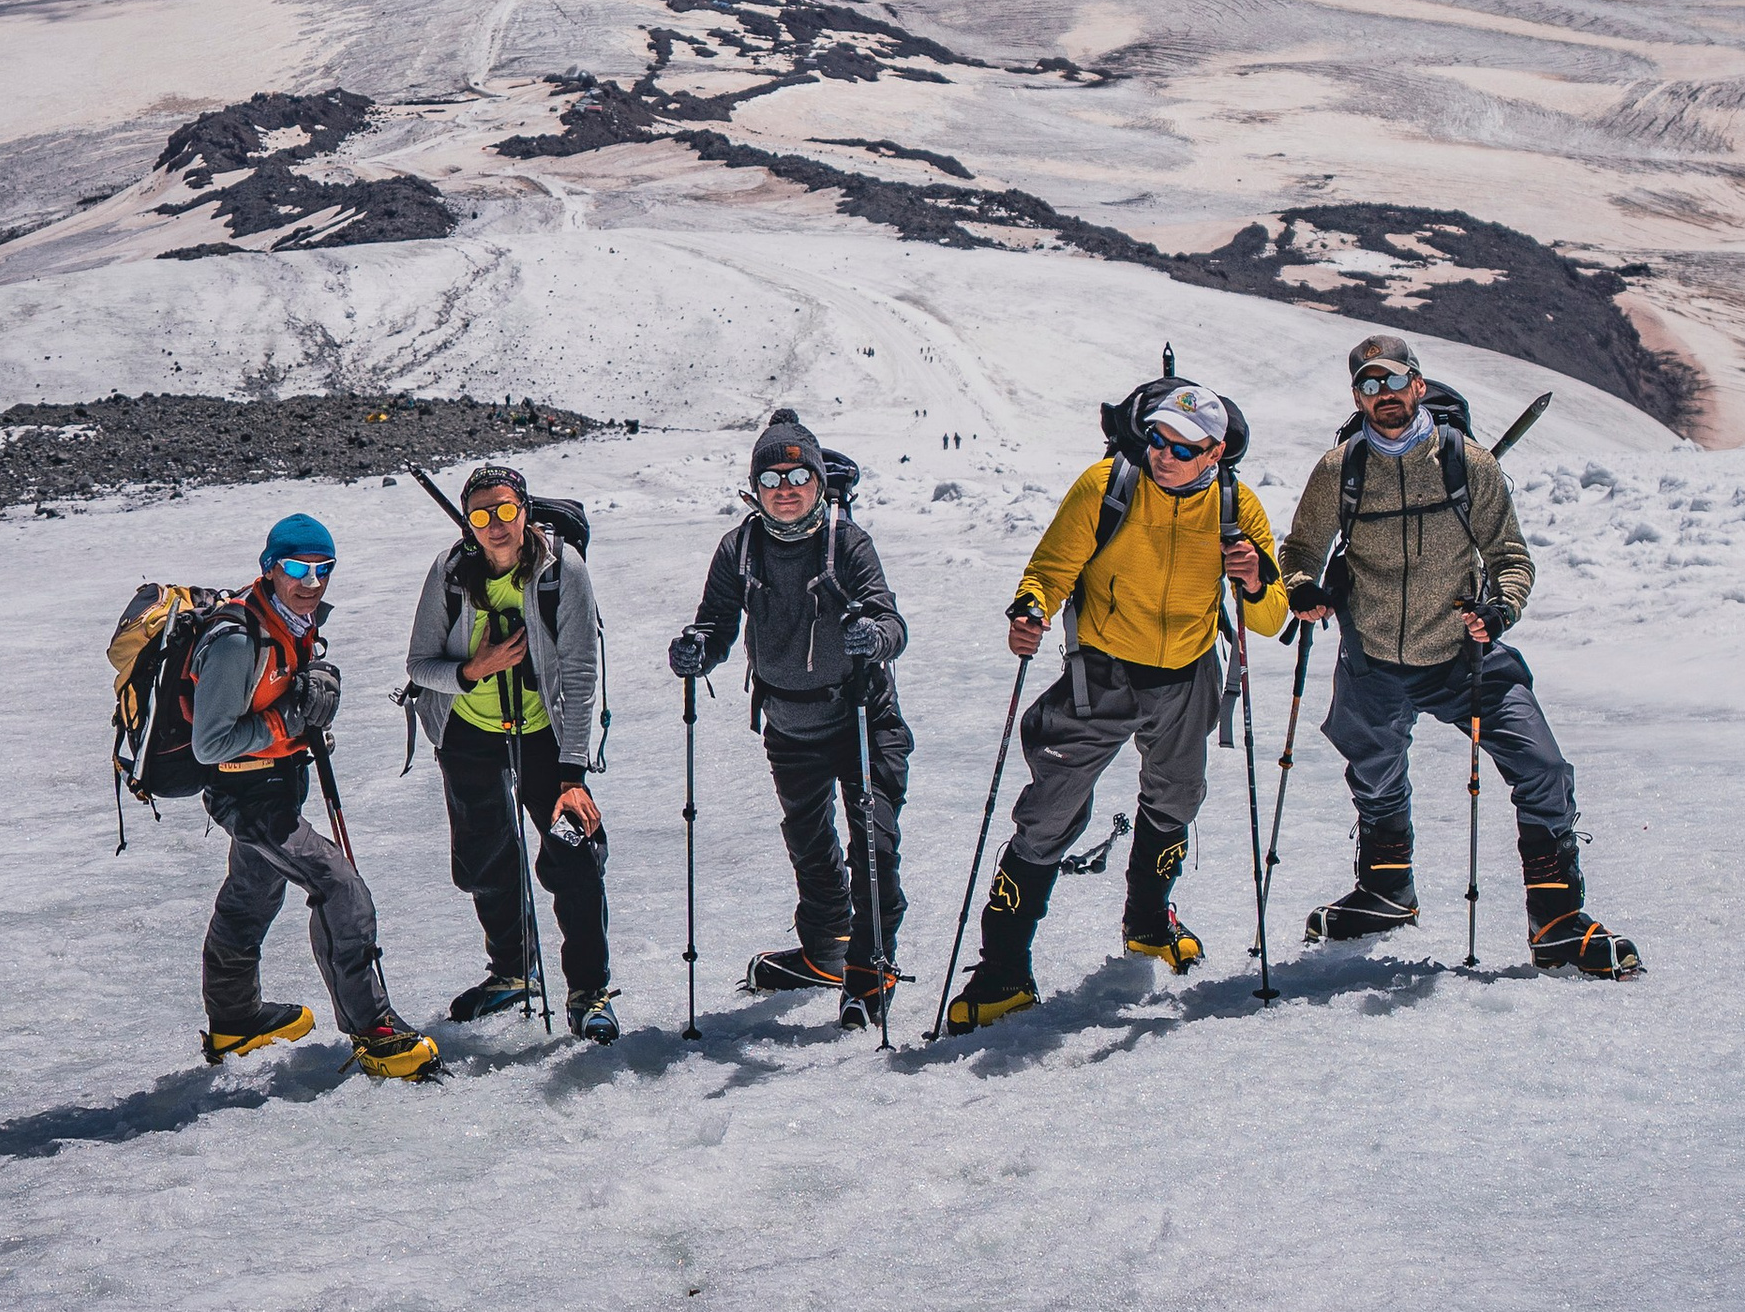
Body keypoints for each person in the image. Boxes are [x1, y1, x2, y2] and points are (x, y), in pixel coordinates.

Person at [1282, 334, 1641, 978]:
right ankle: (1387, 890)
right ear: (1357, 397)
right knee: (1373, 771)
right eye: (1369, 385)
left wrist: (1500, 609)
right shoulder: (1339, 469)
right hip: (1372, 656)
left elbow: (1511, 558)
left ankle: (1556, 919)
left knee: (1541, 767)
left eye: (1394, 382)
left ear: (1418, 386)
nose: (1384, 395)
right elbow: (1302, 549)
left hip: (1462, 654)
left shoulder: (1465, 463)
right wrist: (1302, 586)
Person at [946, 377, 1288, 1031]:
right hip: (1100, 675)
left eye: (1184, 448)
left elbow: (1270, 618)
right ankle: (1003, 971)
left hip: (1187, 677)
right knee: (1048, 816)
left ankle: (1148, 923)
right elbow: (1050, 570)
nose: (1165, 455)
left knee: (1176, 799)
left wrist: (1253, 579)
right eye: (1157, 439)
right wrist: (1030, 609)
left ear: (1215, 453)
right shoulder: (1106, 486)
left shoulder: (1236, 507)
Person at [669, 406, 909, 1021]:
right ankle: (827, 947)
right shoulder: (740, 548)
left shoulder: (846, 543)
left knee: (874, 842)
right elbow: (716, 624)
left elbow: (891, 622)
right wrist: (697, 648)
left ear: (819, 483)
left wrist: (874, 637)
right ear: (755, 488)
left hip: (862, 717)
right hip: (789, 722)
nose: (785, 490)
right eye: (772, 480)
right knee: (808, 841)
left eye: (798, 478)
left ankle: (869, 967)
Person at [189, 512, 439, 1074]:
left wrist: (304, 720)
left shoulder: (291, 621)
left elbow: (279, 700)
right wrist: (289, 720)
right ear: (270, 568)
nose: (312, 581)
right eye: (297, 568)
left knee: (251, 895)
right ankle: (374, 1031)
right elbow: (210, 743)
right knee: (339, 888)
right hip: (248, 796)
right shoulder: (237, 641)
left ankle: (234, 1020)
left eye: (323, 569)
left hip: (276, 784)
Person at [404, 464, 618, 1045]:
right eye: (481, 515)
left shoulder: (562, 571)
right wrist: (474, 670)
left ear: (525, 510)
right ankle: (514, 971)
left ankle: (589, 991)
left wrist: (573, 774)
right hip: (469, 733)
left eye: (505, 510)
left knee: (575, 854)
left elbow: (580, 671)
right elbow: (420, 665)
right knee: (485, 859)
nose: (495, 525)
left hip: (544, 735)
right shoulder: (451, 572)